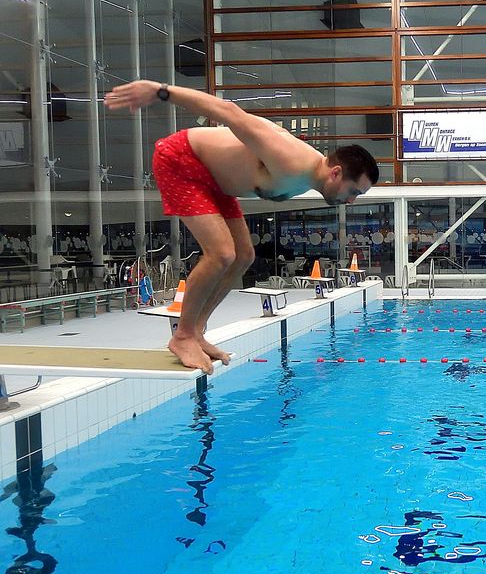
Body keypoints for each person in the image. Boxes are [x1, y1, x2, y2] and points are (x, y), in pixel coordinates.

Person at [104, 80, 378, 374]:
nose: (350, 201)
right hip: (181, 160)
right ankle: (182, 335)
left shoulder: (306, 177)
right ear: (336, 173)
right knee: (221, 254)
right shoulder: (290, 157)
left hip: (216, 183)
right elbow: (228, 111)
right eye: (353, 192)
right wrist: (160, 91)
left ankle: (195, 332)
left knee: (244, 255)